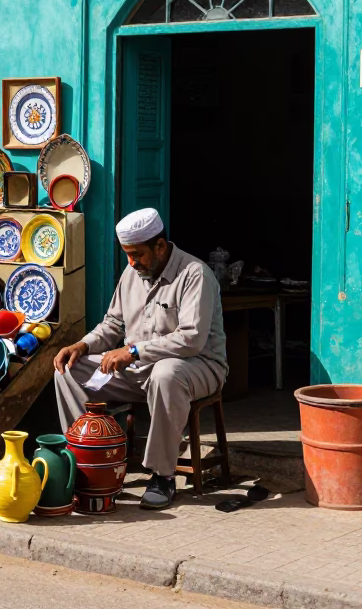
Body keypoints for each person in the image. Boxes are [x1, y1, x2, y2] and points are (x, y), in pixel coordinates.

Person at [53, 208, 227, 509]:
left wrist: (133, 351)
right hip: (140, 369)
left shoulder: (195, 274)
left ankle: (163, 475)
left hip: (200, 366)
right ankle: (86, 461)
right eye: (127, 255)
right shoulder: (132, 273)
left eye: (137, 255)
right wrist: (82, 345)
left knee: (166, 373)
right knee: (69, 370)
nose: (132, 263)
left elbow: (191, 339)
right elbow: (112, 325)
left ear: (160, 246)